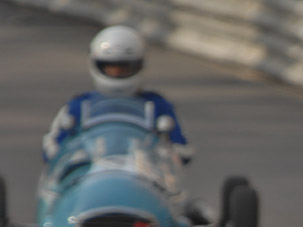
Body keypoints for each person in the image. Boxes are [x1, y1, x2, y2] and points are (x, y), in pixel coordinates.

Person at [41, 25, 192, 164]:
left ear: (138, 65)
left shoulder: (156, 105)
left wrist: (165, 152)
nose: (117, 72)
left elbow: (184, 151)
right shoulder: (79, 105)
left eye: (124, 68)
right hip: (91, 177)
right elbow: (51, 151)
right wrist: (75, 154)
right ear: (97, 65)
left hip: (144, 177)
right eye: (110, 68)